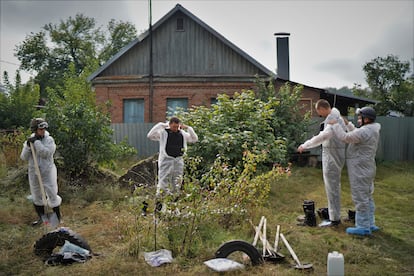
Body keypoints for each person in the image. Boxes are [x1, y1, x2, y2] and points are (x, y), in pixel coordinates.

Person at [329, 106, 381, 236]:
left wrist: (335, 125)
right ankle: (370, 223)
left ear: (367, 119)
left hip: (360, 169)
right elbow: (356, 133)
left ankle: (363, 227)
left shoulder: (365, 132)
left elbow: (345, 137)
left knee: (360, 197)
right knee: (367, 196)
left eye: (360, 117)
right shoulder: (371, 129)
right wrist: (347, 123)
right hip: (367, 167)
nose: (358, 119)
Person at [297, 99, 346, 227]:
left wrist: (305, 145)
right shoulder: (336, 115)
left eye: (319, 111)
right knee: (333, 186)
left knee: (332, 187)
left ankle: (334, 219)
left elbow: (323, 136)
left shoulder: (331, 120)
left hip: (332, 156)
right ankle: (333, 214)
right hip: (335, 153)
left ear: (323, 108)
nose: (319, 114)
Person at [147, 117, 198, 210]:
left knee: (177, 184)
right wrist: (161, 125)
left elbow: (194, 139)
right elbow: (150, 135)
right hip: (166, 161)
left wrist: (189, 128)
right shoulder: (163, 133)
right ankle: (158, 208)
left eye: (177, 126)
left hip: (178, 161)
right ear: (169, 124)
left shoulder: (182, 134)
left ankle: (173, 208)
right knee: (163, 185)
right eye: (173, 126)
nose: (175, 128)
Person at [20, 118, 62, 226]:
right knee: (36, 195)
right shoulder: (30, 140)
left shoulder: (49, 140)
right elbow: (23, 157)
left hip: (47, 171)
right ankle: (42, 219)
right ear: (35, 129)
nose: (43, 130)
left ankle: (57, 218)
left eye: (44, 128)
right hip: (34, 171)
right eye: (40, 129)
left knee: (52, 193)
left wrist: (37, 143)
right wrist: (28, 147)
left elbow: (46, 153)